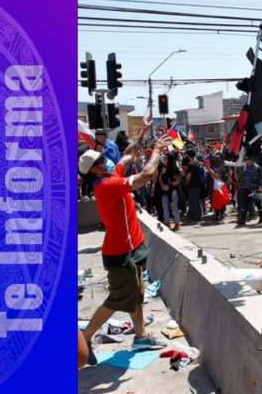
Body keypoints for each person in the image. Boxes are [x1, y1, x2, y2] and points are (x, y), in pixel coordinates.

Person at [78, 126, 171, 366]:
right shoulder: (107, 186)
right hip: (120, 254)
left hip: (133, 248)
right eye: (101, 160)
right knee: (120, 299)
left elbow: (128, 155)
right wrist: (157, 151)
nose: (107, 160)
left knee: (137, 295)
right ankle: (85, 338)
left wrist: (140, 135)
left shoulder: (111, 177)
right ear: (95, 169)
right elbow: (146, 175)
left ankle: (140, 337)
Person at [237, 157, 262, 225]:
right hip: (246, 188)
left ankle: (261, 217)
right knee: (245, 204)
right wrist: (242, 184)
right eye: (247, 161)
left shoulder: (258, 168)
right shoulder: (245, 167)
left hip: (255, 188)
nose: (248, 162)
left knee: (258, 204)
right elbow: (243, 177)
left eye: (249, 160)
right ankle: (242, 219)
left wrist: (261, 187)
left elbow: (261, 178)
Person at [159, 152, 182, 231]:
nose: (164, 160)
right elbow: (160, 178)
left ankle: (177, 223)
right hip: (165, 191)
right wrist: (162, 185)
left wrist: (169, 185)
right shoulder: (164, 168)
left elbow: (178, 180)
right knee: (165, 206)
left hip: (173, 190)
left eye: (166, 158)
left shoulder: (174, 168)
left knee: (174, 207)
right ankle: (166, 222)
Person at [184, 149, 203, 222]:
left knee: (195, 201)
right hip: (197, 184)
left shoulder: (191, 164)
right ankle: (194, 215)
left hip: (192, 185)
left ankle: (198, 216)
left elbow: (189, 175)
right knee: (193, 201)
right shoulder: (197, 162)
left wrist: (186, 182)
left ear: (188, 155)